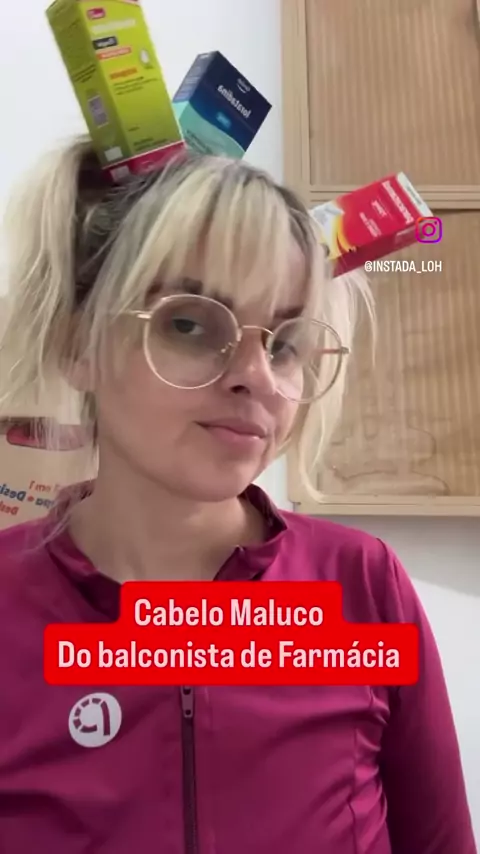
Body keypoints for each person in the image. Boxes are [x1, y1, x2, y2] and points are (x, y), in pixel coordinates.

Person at [0, 137, 475, 854]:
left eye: (284, 342)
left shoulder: (360, 584)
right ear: (78, 345)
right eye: (190, 324)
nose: (257, 375)